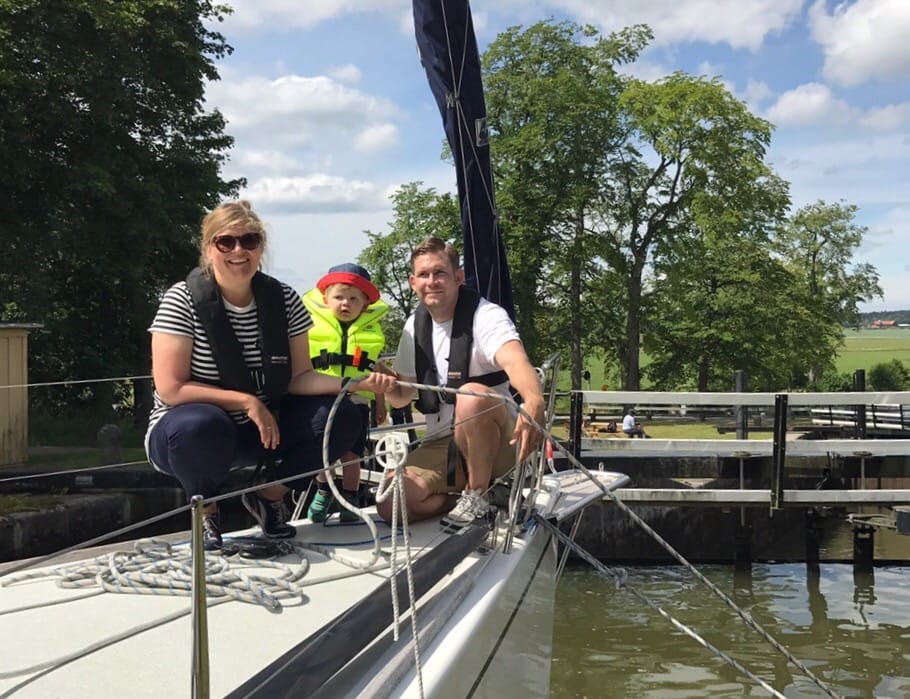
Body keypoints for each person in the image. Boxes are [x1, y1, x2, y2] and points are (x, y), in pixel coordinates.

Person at [144, 201, 397, 549]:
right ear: (208, 249)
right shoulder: (181, 300)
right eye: (226, 242)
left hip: (263, 432)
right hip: (188, 434)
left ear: (261, 248)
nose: (239, 251)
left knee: (343, 416)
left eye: (250, 241)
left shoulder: (284, 299)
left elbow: (299, 377)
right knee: (199, 425)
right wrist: (247, 401)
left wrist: (352, 384)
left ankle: (269, 495)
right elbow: (171, 389)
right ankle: (206, 510)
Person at [379, 237, 545, 531]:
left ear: (458, 277)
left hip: (499, 442)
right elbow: (402, 397)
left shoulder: (486, 316)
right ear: (412, 282)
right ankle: (468, 499)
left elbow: (516, 361)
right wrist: (385, 385)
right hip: (442, 443)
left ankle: (479, 494)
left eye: (440, 273)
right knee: (391, 502)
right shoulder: (413, 327)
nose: (432, 281)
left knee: (471, 396)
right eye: (424, 274)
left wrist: (533, 400)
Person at [301, 262, 389, 522]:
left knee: (352, 456)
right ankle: (324, 490)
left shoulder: (368, 334)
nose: (345, 304)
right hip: (322, 395)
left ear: (365, 304)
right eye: (339, 297)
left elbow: (375, 370)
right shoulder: (307, 328)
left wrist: (380, 403)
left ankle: (350, 498)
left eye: (353, 299)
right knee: (323, 452)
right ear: (325, 299)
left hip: (358, 399)